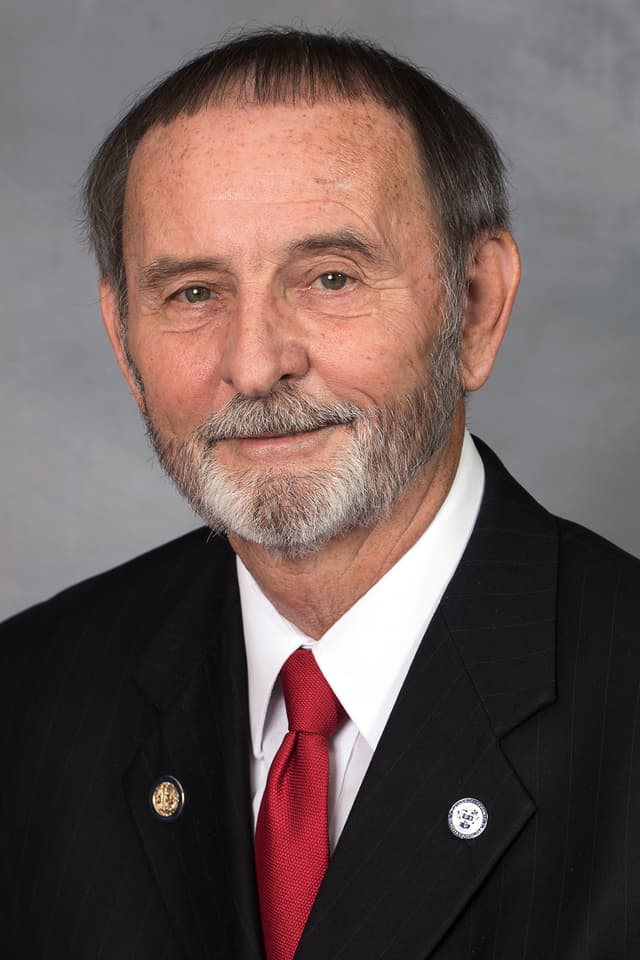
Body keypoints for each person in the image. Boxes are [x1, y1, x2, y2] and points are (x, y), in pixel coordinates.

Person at [1, 27, 639, 960]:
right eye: (192, 293)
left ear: (475, 306)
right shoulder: (29, 700)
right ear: (123, 340)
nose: (255, 366)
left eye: (330, 278)